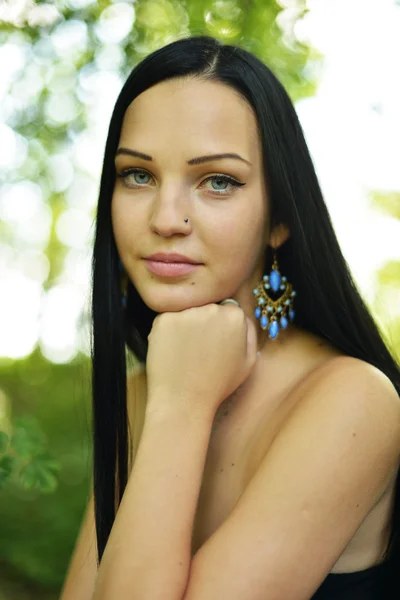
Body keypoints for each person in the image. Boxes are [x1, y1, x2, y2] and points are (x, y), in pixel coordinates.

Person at [60, 35, 400, 600]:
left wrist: (182, 407)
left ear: (280, 220)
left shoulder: (351, 400)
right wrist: (173, 396)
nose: (166, 218)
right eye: (137, 175)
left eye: (219, 181)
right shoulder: (144, 391)